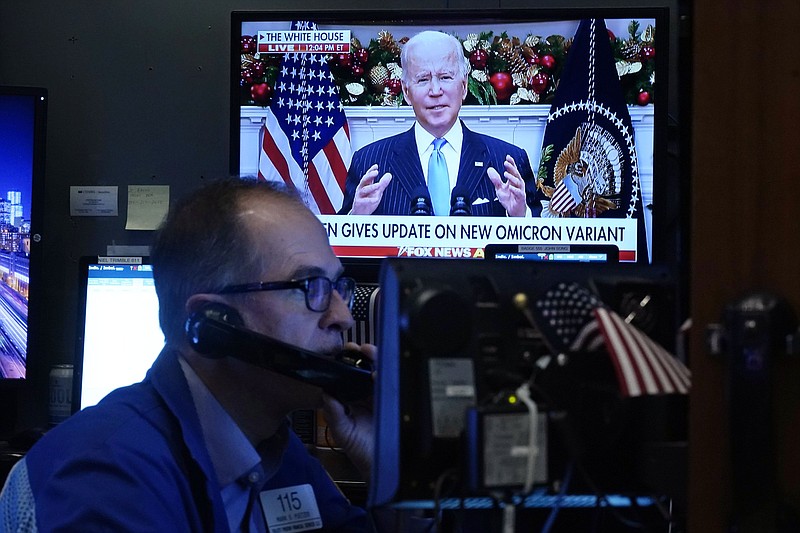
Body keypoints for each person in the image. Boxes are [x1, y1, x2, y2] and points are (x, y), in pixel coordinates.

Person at [0, 179, 375, 531]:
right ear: (214, 325)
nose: (342, 316)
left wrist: (386, 464)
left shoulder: (271, 446)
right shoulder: (105, 478)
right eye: (310, 286)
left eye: (338, 285)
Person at [339, 30, 536, 217]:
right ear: (406, 92)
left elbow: (541, 244)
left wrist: (519, 215)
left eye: (445, 77)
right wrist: (357, 217)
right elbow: (339, 246)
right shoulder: (368, 163)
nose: (435, 90)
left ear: (464, 86)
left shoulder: (508, 162)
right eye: (423, 79)